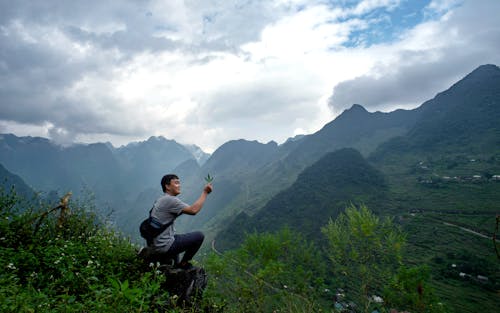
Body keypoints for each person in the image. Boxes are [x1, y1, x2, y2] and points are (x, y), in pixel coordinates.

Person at [148, 174, 212, 269]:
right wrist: (205, 192)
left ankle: (174, 265)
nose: (179, 185)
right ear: (167, 186)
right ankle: (184, 264)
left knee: (176, 237)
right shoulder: (170, 200)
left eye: (179, 183)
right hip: (164, 246)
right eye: (176, 183)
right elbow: (194, 210)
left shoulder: (161, 199)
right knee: (199, 236)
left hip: (155, 244)